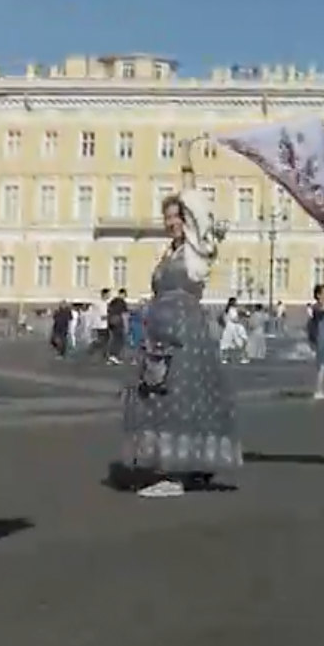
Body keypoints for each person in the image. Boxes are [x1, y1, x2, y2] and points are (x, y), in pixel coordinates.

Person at [117, 192, 241, 497]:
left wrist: (186, 168)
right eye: (168, 217)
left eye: (178, 216)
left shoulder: (197, 251)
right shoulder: (169, 252)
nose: (171, 223)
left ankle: (172, 475)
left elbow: (201, 212)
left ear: (189, 219)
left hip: (187, 334)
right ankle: (191, 466)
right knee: (161, 394)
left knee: (179, 398)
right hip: (160, 332)